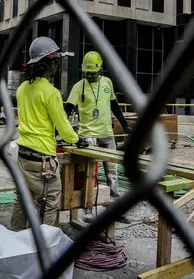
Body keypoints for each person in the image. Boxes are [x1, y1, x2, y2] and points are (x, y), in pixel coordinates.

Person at [10, 37, 89, 231]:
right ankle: (47, 245)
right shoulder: (51, 93)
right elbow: (63, 126)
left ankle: (15, 237)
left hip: (23, 155)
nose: (57, 66)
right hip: (43, 158)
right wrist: (77, 139)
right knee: (51, 201)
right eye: (56, 62)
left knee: (23, 198)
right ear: (50, 63)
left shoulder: (22, 89)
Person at [65, 51, 132, 223]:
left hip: (107, 134)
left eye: (93, 73)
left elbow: (114, 106)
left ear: (100, 70)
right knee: (89, 174)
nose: (90, 76)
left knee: (112, 173)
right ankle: (88, 210)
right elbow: (67, 110)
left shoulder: (107, 83)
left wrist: (125, 126)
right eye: (87, 73)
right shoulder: (78, 87)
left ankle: (116, 210)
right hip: (88, 136)